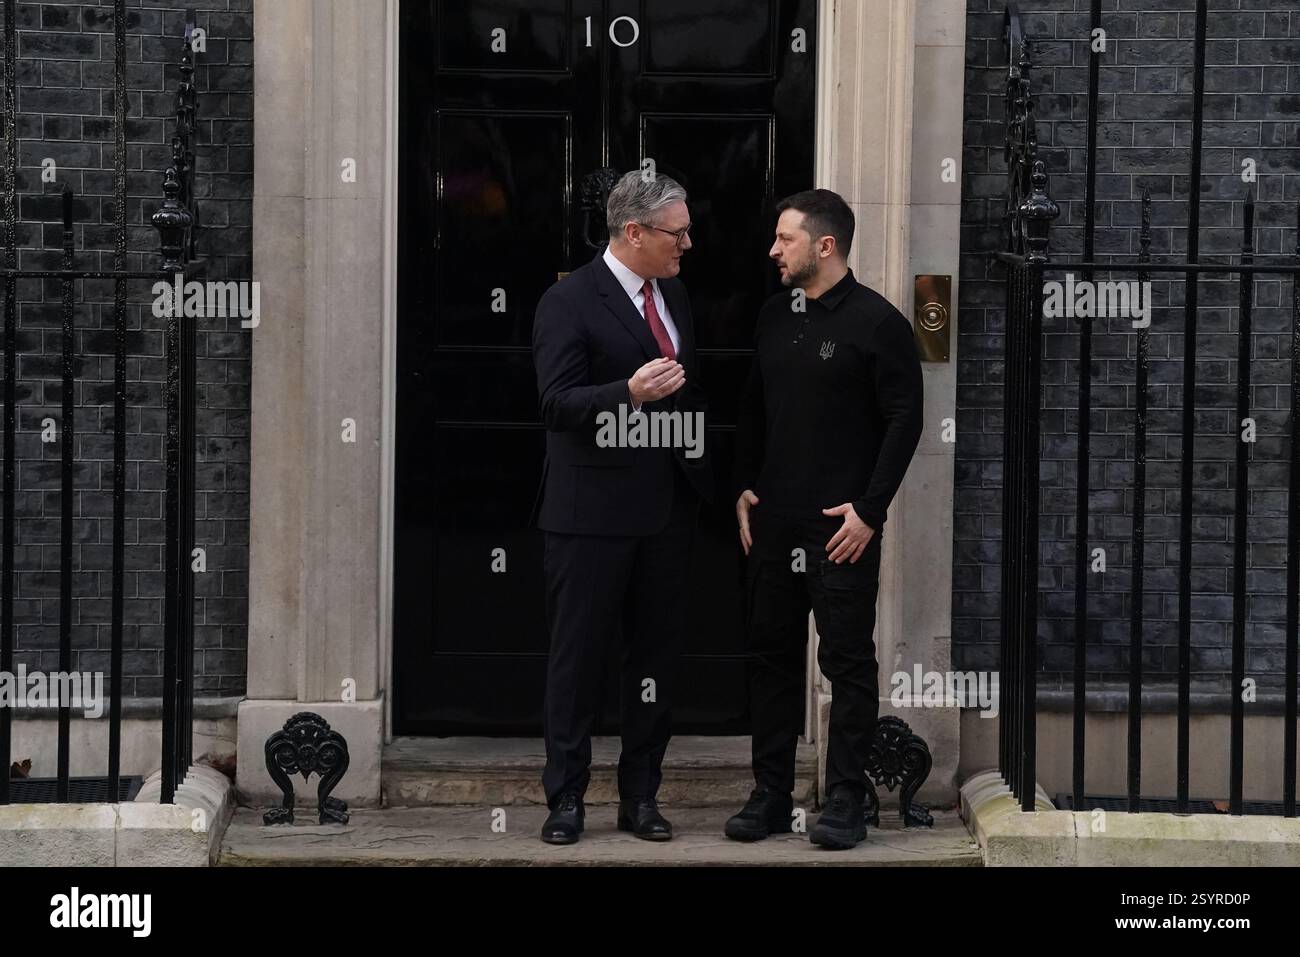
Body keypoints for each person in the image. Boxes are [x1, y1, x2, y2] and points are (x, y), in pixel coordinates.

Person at [725, 188, 923, 849]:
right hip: (773, 522)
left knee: (846, 661)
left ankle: (845, 800)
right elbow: (751, 405)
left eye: (785, 239)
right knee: (772, 658)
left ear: (825, 245)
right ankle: (770, 795)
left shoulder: (878, 323)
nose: (774, 250)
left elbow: (905, 418)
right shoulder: (774, 315)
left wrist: (871, 510)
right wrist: (742, 486)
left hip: (841, 527)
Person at [530, 170, 711, 845]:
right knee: (578, 662)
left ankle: (641, 797)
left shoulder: (677, 297)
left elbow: (692, 392)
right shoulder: (569, 300)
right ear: (633, 232)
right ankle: (567, 798)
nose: (688, 243)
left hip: (666, 511)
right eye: (678, 232)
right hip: (588, 515)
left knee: (655, 662)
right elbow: (555, 404)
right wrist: (628, 392)